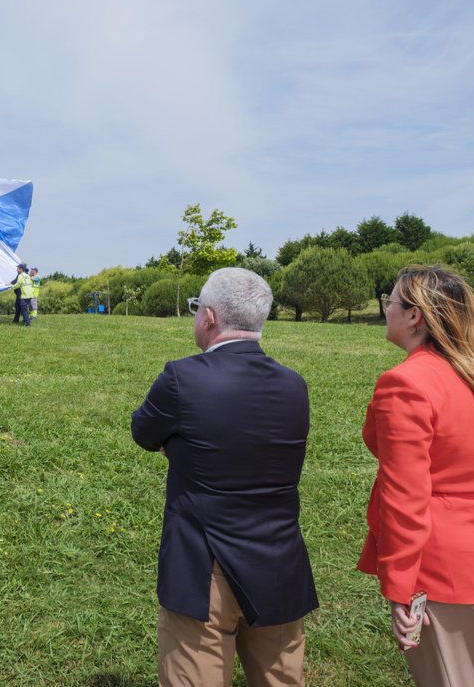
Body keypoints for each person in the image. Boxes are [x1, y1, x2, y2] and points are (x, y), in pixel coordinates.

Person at [132, 267, 317, 687]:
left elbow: (143, 432)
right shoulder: (294, 385)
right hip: (279, 559)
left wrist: (176, 444)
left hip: (203, 564)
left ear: (210, 317)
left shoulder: (182, 377)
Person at [358, 265, 474, 687]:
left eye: (390, 302)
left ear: (414, 316)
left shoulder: (406, 384)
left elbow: (404, 497)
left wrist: (400, 586)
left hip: (444, 574)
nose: (386, 310)